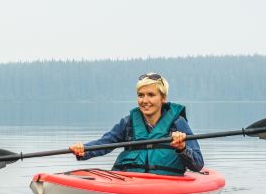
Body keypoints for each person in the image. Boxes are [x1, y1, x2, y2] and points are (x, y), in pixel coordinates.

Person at [69, 73, 204, 175]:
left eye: (151, 95)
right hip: (130, 180)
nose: (145, 100)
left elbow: (198, 164)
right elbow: (104, 143)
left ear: (163, 98)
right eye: (141, 95)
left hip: (165, 183)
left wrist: (182, 148)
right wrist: (83, 150)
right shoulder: (128, 123)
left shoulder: (178, 124)